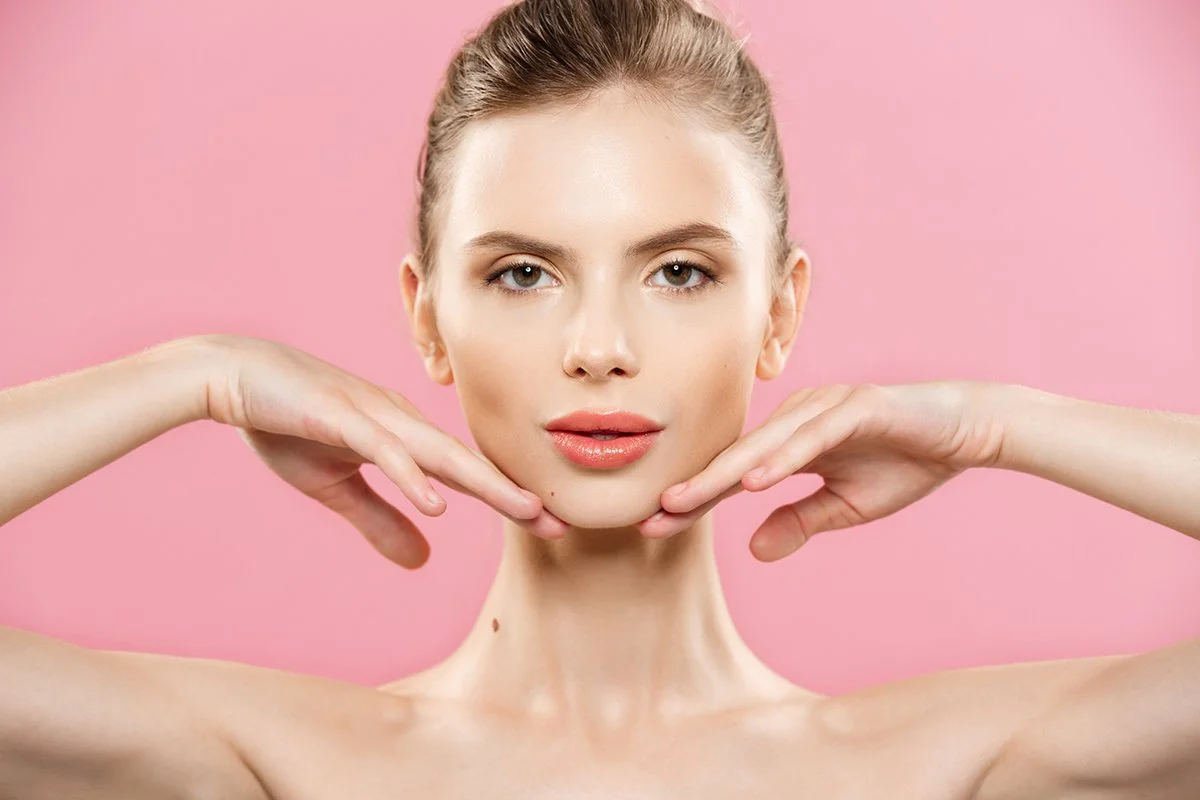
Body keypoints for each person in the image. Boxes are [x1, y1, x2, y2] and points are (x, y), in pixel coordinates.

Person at [2, 0, 1198, 796]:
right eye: (522, 272)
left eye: (679, 270)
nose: (599, 345)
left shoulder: (945, 768)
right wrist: (191, 374)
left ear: (779, 309)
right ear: (428, 316)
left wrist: (1000, 423)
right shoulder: (275, 763)